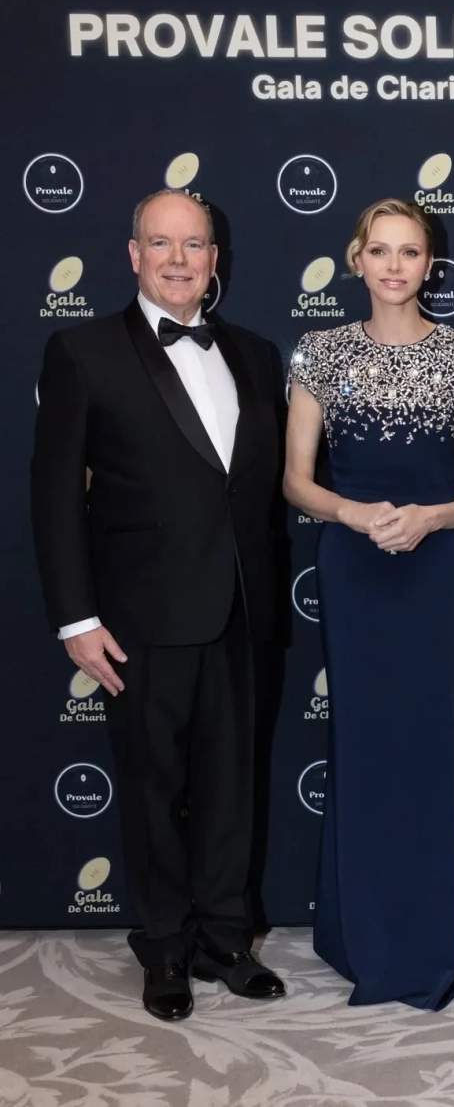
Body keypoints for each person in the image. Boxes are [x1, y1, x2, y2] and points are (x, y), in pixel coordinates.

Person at [31, 190, 286, 1020]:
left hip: (243, 610)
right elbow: (55, 496)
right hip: (140, 617)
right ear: (133, 254)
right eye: (162, 243)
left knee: (232, 786)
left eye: (195, 244)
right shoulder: (83, 351)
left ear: (215, 258)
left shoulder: (254, 352)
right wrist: (77, 618)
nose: (179, 259)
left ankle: (225, 938)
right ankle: (166, 945)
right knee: (151, 788)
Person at [284, 197, 454, 1008]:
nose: (393, 265)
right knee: (364, 740)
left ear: (430, 264)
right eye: (379, 250)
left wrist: (432, 518)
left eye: (409, 251)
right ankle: (364, 930)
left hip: (436, 565)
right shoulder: (319, 351)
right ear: (356, 259)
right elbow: (295, 480)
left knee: (429, 738)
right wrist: (354, 514)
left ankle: (435, 933)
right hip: (353, 567)